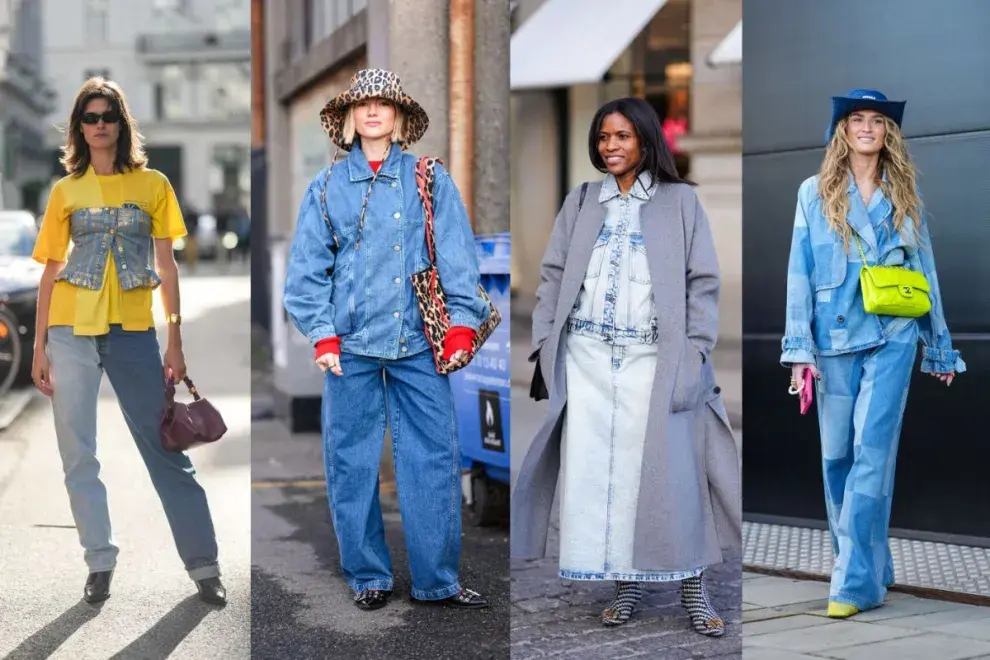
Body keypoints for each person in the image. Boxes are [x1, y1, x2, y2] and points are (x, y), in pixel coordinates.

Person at [511, 97, 741, 635]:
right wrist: (547, 341)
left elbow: (702, 282)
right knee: (603, 481)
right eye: (602, 137)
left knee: (674, 479)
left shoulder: (680, 201)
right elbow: (552, 274)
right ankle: (626, 584)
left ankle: (693, 588)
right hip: (587, 360)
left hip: (656, 362)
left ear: (644, 139)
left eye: (621, 136)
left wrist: (694, 352)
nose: (609, 146)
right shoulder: (582, 200)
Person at [283, 68, 491, 611]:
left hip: (420, 344)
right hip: (349, 348)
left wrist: (462, 325)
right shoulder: (326, 188)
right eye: (363, 105)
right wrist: (323, 335)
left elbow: (457, 255)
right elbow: (307, 271)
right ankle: (368, 575)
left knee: (433, 459)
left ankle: (437, 580)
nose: (373, 111)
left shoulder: (429, 178)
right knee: (350, 464)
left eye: (384, 104)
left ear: (398, 119)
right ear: (349, 120)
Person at [30, 77, 226, 605]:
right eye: (89, 118)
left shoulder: (153, 185)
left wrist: (175, 339)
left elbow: (167, 265)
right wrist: (38, 347)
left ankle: (205, 567)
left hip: (134, 333)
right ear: (79, 128)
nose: (99, 125)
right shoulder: (64, 191)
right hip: (69, 331)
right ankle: (99, 563)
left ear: (121, 123)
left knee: (166, 451)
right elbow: (50, 272)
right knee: (78, 455)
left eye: (107, 116)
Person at [781, 89, 963, 618]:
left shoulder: (903, 195)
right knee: (838, 457)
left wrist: (941, 348)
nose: (866, 127)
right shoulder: (813, 193)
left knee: (871, 459)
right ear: (842, 130)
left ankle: (853, 584)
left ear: (888, 133)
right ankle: (870, 565)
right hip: (833, 342)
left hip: (893, 338)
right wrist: (799, 350)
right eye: (857, 119)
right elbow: (799, 273)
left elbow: (926, 271)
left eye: (877, 120)